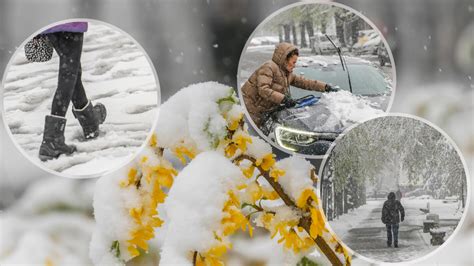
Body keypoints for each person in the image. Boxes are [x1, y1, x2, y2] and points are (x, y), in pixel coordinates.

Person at [37, 22, 106, 161]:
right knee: (69, 73)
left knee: (72, 70)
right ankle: (52, 140)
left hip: (51, 23)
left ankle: (90, 122)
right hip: (70, 23)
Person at [241, 42, 337, 128]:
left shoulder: (286, 73)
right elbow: (263, 90)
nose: (295, 65)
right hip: (249, 111)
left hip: (262, 113)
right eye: (293, 62)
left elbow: (305, 82)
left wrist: (325, 87)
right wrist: (283, 99)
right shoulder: (269, 67)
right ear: (285, 59)